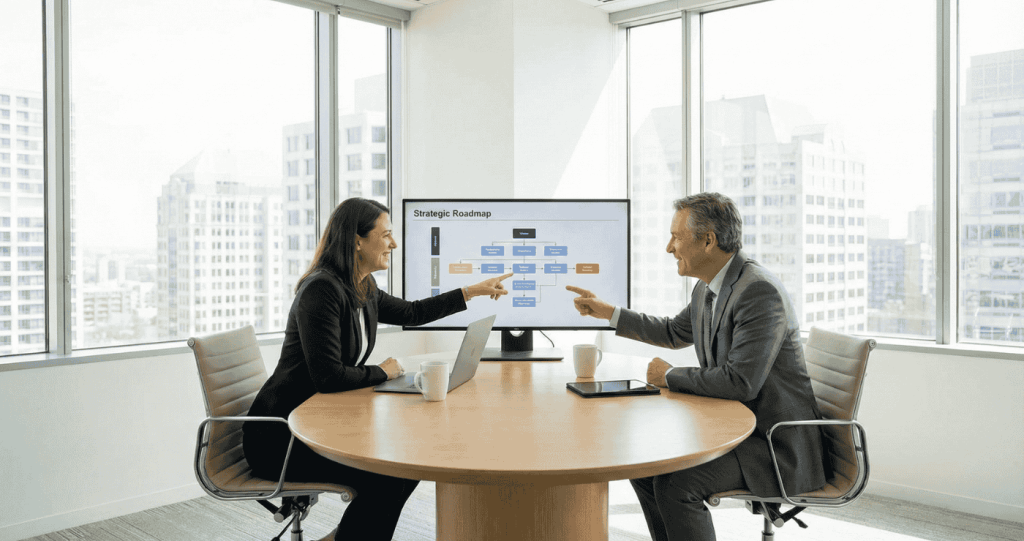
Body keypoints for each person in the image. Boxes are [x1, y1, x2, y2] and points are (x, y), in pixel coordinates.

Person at [243, 198, 512, 541]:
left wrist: (470, 292)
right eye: (385, 235)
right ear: (357, 240)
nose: (393, 244)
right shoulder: (322, 290)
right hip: (281, 438)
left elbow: (412, 313)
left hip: (316, 423)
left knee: (406, 465)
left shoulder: (362, 285)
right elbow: (328, 377)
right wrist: (383, 371)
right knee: (387, 475)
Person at [566, 192, 827, 541]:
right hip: (739, 430)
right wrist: (608, 313)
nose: (668, 247)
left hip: (773, 444)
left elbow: (740, 382)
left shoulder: (758, 291)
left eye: (676, 236)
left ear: (708, 241)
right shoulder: (709, 288)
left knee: (677, 483)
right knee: (647, 469)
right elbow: (675, 331)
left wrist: (669, 376)